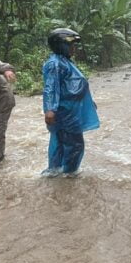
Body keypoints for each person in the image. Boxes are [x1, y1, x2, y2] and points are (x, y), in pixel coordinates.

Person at [41, 28, 100, 178]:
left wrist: (88, 103)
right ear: (62, 45)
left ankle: (56, 172)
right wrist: (50, 109)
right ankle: (70, 174)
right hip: (65, 113)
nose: (74, 49)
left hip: (69, 111)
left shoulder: (65, 62)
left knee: (61, 142)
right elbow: (51, 87)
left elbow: (75, 86)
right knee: (74, 143)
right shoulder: (55, 64)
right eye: (72, 45)